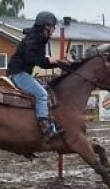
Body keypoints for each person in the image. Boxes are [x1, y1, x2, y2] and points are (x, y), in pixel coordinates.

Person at [6, 11, 65, 141]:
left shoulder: (40, 39)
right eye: (53, 27)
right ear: (47, 26)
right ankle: (44, 126)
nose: (54, 29)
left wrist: (58, 64)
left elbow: (41, 62)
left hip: (21, 72)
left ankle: (52, 121)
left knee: (48, 90)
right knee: (42, 94)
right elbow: (32, 58)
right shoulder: (34, 39)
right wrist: (52, 61)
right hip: (18, 73)